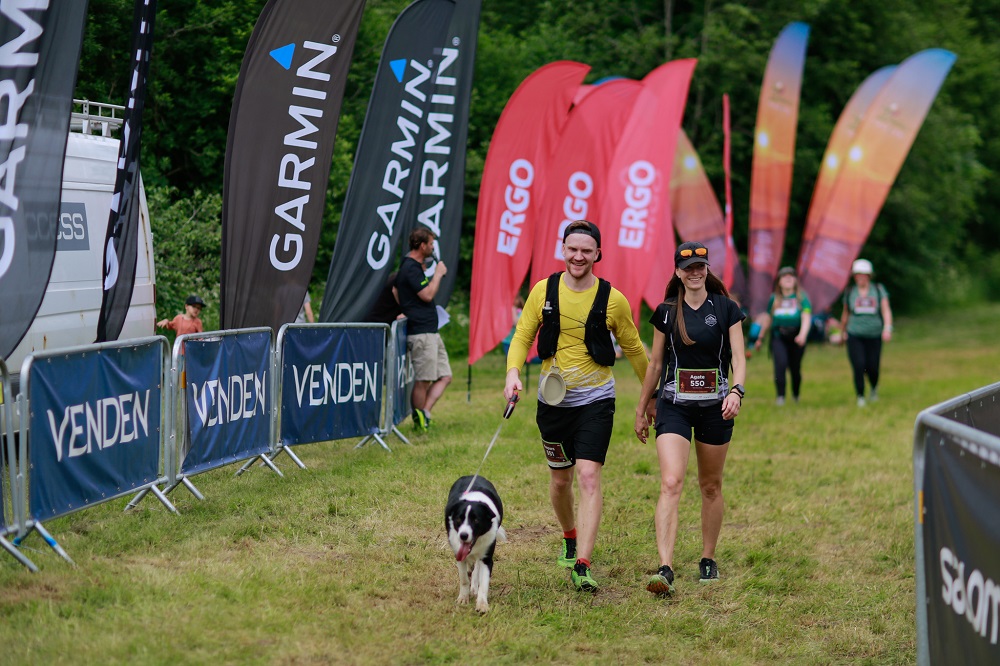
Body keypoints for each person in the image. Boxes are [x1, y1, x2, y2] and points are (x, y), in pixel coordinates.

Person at [504, 220, 649, 593]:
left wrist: (651, 397)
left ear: (598, 253)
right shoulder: (543, 291)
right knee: (560, 480)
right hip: (552, 402)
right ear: (563, 249)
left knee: (588, 476)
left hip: (596, 400)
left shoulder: (613, 300)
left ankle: (582, 563)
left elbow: (634, 348)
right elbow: (522, 335)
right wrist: (512, 373)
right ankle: (569, 535)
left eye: (586, 250)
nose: (579, 256)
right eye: (573, 249)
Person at [633, 241, 746, 596]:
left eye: (700, 266)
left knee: (710, 485)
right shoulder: (667, 311)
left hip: (716, 407)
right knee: (671, 482)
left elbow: (739, 358)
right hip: (674, 406)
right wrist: (641, 408)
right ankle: (665, 567)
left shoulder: (726, 308)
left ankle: (708, 557)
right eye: (688, 268)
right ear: (678, 273)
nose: (695, 273)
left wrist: (736, 391)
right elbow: (655, 364)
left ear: (707, 269)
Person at [395, 228, 451, 430]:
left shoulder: (413, 266)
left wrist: (406, 307)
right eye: (431, 244)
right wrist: (438, 274)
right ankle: (419, 422)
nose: (433, 248)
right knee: (423, 380)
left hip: (430, 331)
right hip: (421, 333)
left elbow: (395, 289)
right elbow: (427, 295)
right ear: (421, 245)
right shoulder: (410, 267)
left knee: (445, 376)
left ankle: (424, 414)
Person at [753, 266, 811, 405]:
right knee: (780, 364)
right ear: (779, 281)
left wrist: (803, 335)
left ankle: (796, 395)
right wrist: (760, 337)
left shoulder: (801, 297)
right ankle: (780, 397)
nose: (788, 278)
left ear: (795, 280)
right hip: (779, 336)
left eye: (791, 276)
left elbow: (806, 315)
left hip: (796, 337)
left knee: (795, 368)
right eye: (784, 276)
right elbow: (768, 318)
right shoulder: (774, 299)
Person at [840, 258, 893, 407]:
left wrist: (887, 328)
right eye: (858, 274)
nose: (861, 277)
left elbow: (886, 310)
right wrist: (842, 332)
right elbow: (846, 313)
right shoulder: (850, 292)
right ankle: (860, 396)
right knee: (858, 365)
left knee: (872, 366)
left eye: (864, 274)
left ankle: (874, 389)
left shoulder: (878, 289)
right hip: (854, 333)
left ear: (869, 275)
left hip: (874, 334)